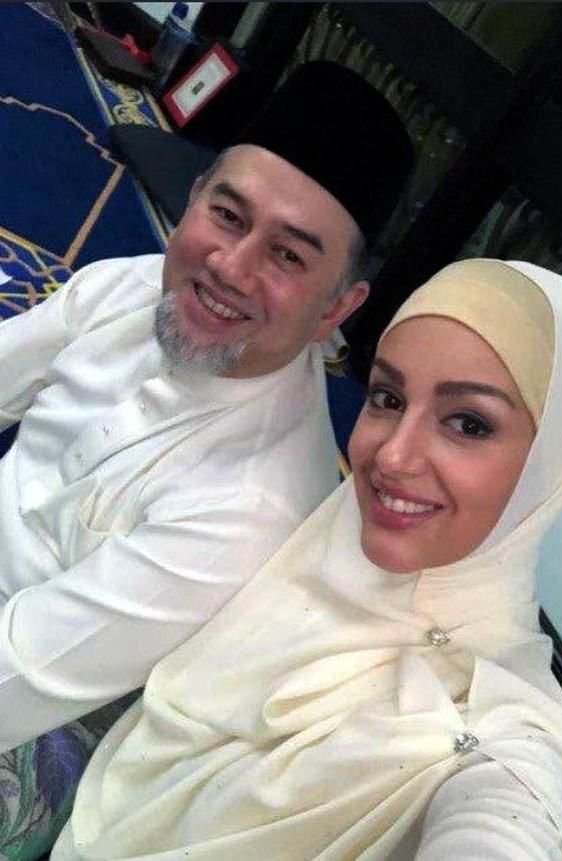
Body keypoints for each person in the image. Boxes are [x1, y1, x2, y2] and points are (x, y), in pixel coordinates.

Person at [51, 258, 562, 860]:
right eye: (387, 397)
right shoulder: (298, 541)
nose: (393, 457)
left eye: (468, 423)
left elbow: (507, 824)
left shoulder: (508, 732)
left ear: (558, 463)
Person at [0, 61, 413, 852]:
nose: (229, 267)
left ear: (337, 307)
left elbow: (21, 674)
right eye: (228, 215)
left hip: (48, 706)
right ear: (192, 200)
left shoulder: (251, 506)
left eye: (288, 256)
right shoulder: (132, 288)